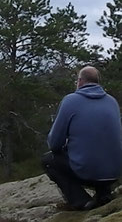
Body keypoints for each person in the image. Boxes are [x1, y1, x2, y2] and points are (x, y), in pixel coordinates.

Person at [43, 66, 122, 210]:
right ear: (98, 82)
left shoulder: (71, 101)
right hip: (114, 172)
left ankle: (81, 201)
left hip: (88, 173)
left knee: (49, 161)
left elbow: (54, 144)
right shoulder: (112, 102)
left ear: (79, 81)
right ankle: (103, 195)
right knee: (98, 151)